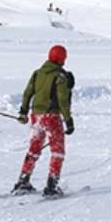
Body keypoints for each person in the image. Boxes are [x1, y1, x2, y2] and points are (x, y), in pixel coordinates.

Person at [12, 45, 75, 197]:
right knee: (57, 152)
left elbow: (28, 93)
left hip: (36, 117)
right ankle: (51, 186)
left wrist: (23, 112)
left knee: (34, 149)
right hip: (51, 117)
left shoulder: (37, 73)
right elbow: (62, 100)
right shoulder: (60, 76)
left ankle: (23, 181)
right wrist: (68, 120)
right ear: (62, 58)